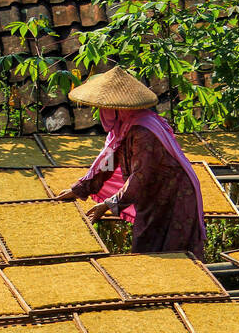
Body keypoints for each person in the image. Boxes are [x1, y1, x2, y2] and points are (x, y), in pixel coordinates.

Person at [54, 66, 206, 259]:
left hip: (174, 197)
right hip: (153, 197)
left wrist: (108, 204)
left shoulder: (143, 131)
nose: (101, 112)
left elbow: (139, 178)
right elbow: (108, 163)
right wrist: (79, 189)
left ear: (116, 108)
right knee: (148, 249)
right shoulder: (123, 128)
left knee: (171, 255)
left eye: (104, 107)